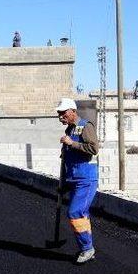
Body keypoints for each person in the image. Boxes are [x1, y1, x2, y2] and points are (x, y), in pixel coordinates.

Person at [56, 98, 99, 264]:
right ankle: (87, 247)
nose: (60, 116)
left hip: (86, 179)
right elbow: (70, 157)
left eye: (63, 112)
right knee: (81, 214)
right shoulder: (69, 130)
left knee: (75, 213)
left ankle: (87, 248)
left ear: (73, 111)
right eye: (59, 113)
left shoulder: (85, 126)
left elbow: (93, 149)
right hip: (74, 179)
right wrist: (65, 183)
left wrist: (72, 144)